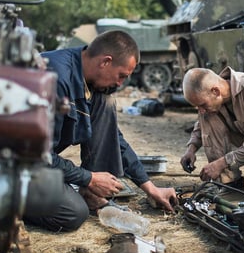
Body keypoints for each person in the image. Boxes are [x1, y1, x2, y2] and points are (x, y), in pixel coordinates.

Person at [25, 30, 177, 232]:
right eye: (121, 76)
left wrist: (149, 187)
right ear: (105, 62)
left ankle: (91, 193)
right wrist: (89, 178)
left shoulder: (88, 80)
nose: (120, 83)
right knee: (72, 213)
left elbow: (114, 138)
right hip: (9, 164)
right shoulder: (56, 81)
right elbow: (36, 154)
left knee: (106, 102)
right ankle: (5, 206)